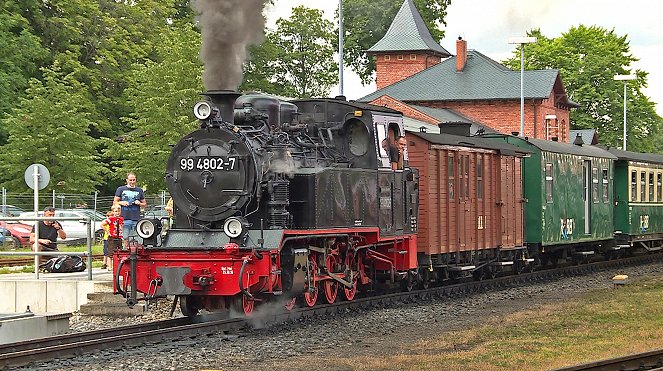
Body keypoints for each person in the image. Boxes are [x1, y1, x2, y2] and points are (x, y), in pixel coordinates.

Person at [113, 172, 146, 244]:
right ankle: (127, 250)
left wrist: (139, 203)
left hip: (136, 218)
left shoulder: (139, 190)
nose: (132, 182)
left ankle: (136, 251)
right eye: (130, 180)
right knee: (125, 236)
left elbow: (144, 204)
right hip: (124, 217)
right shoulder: (120, 189)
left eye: (134, 180)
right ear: (127, 180)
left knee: (137, 237)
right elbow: (115, 202)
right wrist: (122, 202)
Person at [101, 204, 123, 271]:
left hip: (118, 237)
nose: (117, 213)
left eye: (118, 211)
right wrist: (107, 231)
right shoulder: (111, 219)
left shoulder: (121, 219)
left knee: (119, 251)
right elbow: (102, 224)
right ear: (113, 212)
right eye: (116, 211)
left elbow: (122, 226)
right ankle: (110, 266)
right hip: (112, 237)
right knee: (110, 252)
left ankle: (116, 266)